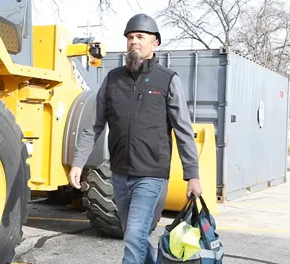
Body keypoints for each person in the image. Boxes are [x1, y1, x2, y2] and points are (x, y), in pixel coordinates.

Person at [68, 13, 203, 264]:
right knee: (136, 237)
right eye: (130, 37)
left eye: (141, 36)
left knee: (133, 236)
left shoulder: (167, 80)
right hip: (119, 174)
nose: (134, 42)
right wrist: (78, 162)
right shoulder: (113, 79)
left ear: (156, 43)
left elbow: (183, 130)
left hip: (151, 174)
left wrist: (192, 175)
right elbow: (94, 125)